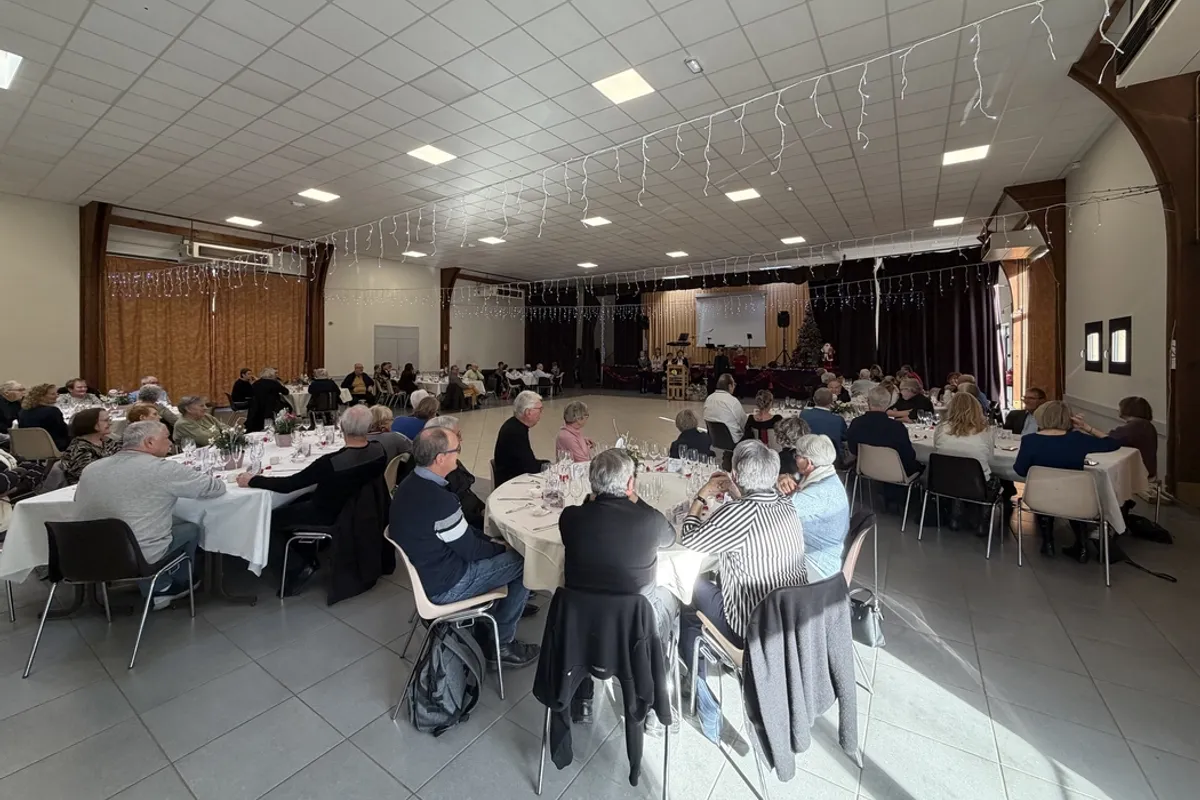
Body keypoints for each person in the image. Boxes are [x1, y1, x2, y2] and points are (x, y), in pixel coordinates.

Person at [680, 440, 808, 741]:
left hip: (751, 630)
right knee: (703, 588)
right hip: (789, 618)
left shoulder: (737, 515)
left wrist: (701, 497)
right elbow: (752, 507)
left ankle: (705, 704)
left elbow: (689, 538)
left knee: (684, 595)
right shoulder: (785, 504)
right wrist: (737, 491)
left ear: (735, 474)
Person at [392, 426, 539, 668]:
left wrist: (489, 542)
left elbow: (463, 534)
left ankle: (504, 608)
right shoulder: (439, 500)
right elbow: (471, 551)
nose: (458, 455)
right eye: (456, 450)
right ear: (440, 458)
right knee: (525, 561)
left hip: (427, 570)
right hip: (446, 585)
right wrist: (500, 548)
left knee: (498, 549)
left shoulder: (409, 484)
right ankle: (501, 644)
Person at [558, 448, 681, 725]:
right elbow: (670, 539)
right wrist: (637, 500)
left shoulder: (570, 518)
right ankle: (654, 700)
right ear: (630, 484)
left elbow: (585, 512)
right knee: (673, 595)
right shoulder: (649, 520)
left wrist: (592, 499)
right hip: (636, 622)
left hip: (582, 619)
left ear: (592, 483)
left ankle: (583, 698)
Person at [238, 406, 388, 590]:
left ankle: (298, 566)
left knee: (270, 518)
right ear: (368, 427)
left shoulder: (330, 463)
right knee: (297, 501)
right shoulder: (379, 451)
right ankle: (306, 550)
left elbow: (289, 485)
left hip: (329, 513)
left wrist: (253, 480)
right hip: (361, 510)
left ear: (341, 427)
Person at [75, 420, 224, 606]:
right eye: (166, 438)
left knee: (164, 522)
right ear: (150, 443)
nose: (170, 443)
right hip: (134, 555)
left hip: (83, 553)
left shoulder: (92, 468)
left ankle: (154, 582)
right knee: (191, 528)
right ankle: (164, 587)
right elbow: (214, 488)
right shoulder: (162, 468)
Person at [1013, 401, 1120, 560]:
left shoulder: (1030, 440)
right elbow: (1112, 443)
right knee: (1073, 498)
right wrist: (1087, 427)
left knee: (1046, 494)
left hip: (1040, 498)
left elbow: (1020, 470)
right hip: (1074, 498)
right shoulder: (1077, 439)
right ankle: (1082, 546)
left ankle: (1048, 543)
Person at [776, 434, 850, 580]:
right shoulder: (826, 475)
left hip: (817, 566)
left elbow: (777, 512)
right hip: (820, 553)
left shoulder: (819, 492)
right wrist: (783, 476)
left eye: (797, 456)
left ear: (808, 462)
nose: (795, 459)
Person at [846, 385, 923, 507]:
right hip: (896, 473)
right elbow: (909, 456)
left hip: (865, 468)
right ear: (888, 404)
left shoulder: (856, 423)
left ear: (868, 402)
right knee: (920, 465)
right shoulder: (896, 428)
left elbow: (853, 449)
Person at [1074, 396, 1157, 478]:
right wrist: (1086, 427)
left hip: (1138, 475)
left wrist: (1086, 428)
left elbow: (1109, 440)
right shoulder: (1147, 426)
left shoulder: (1132, 428)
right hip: (1148, 472)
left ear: (1128, 409)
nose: (1118, 410)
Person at [933, 392, 996, 479]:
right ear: (977, 409)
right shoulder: (985, 430)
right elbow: (990, 460)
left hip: (944, 483)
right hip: (976, 485)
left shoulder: (941, 428)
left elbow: (936, 450)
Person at [493, 390, 547, 486]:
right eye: (540, 409)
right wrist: (547, 466)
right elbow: (530, 467)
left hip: (513, 475)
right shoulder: (515, 433)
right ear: (528, 412)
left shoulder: (514, 424)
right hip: (512, 483)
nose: (541, 413)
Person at [60, 407, 120, 486]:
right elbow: (86, 475)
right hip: (89, 488)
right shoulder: (80, 449)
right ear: (92, 424)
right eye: (106, 420)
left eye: (109, 419)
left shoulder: (106, 441)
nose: (110, 423)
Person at [18, 383, 70, 451]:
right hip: (52, 447)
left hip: (27, 447)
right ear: (41, 396)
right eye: (53, 394)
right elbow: (63, 431)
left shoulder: (23, 411)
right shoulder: (53, 411)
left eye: (57, 394)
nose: (57, 396)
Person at [801, 388, 848, 457]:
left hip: (808, 455)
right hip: (832, 457)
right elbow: (845, 437)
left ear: (814, 399)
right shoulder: (838, 419)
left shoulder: (804, 414)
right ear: (831, 401)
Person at [703, 373, 747, 441]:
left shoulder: (708, 399)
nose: (734, 387)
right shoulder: (733, 401)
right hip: (733, 440)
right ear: (730, 386)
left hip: (713, 439)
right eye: (734, 384)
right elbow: (744, 423)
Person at [246, 367, 290, 432]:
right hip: (271, 407)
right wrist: (280, 384)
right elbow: (286, 392)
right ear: (271, 375)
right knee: (288, 406)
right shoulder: (273, 383)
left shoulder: (256, 383)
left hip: (256, 407)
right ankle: (284, 425)